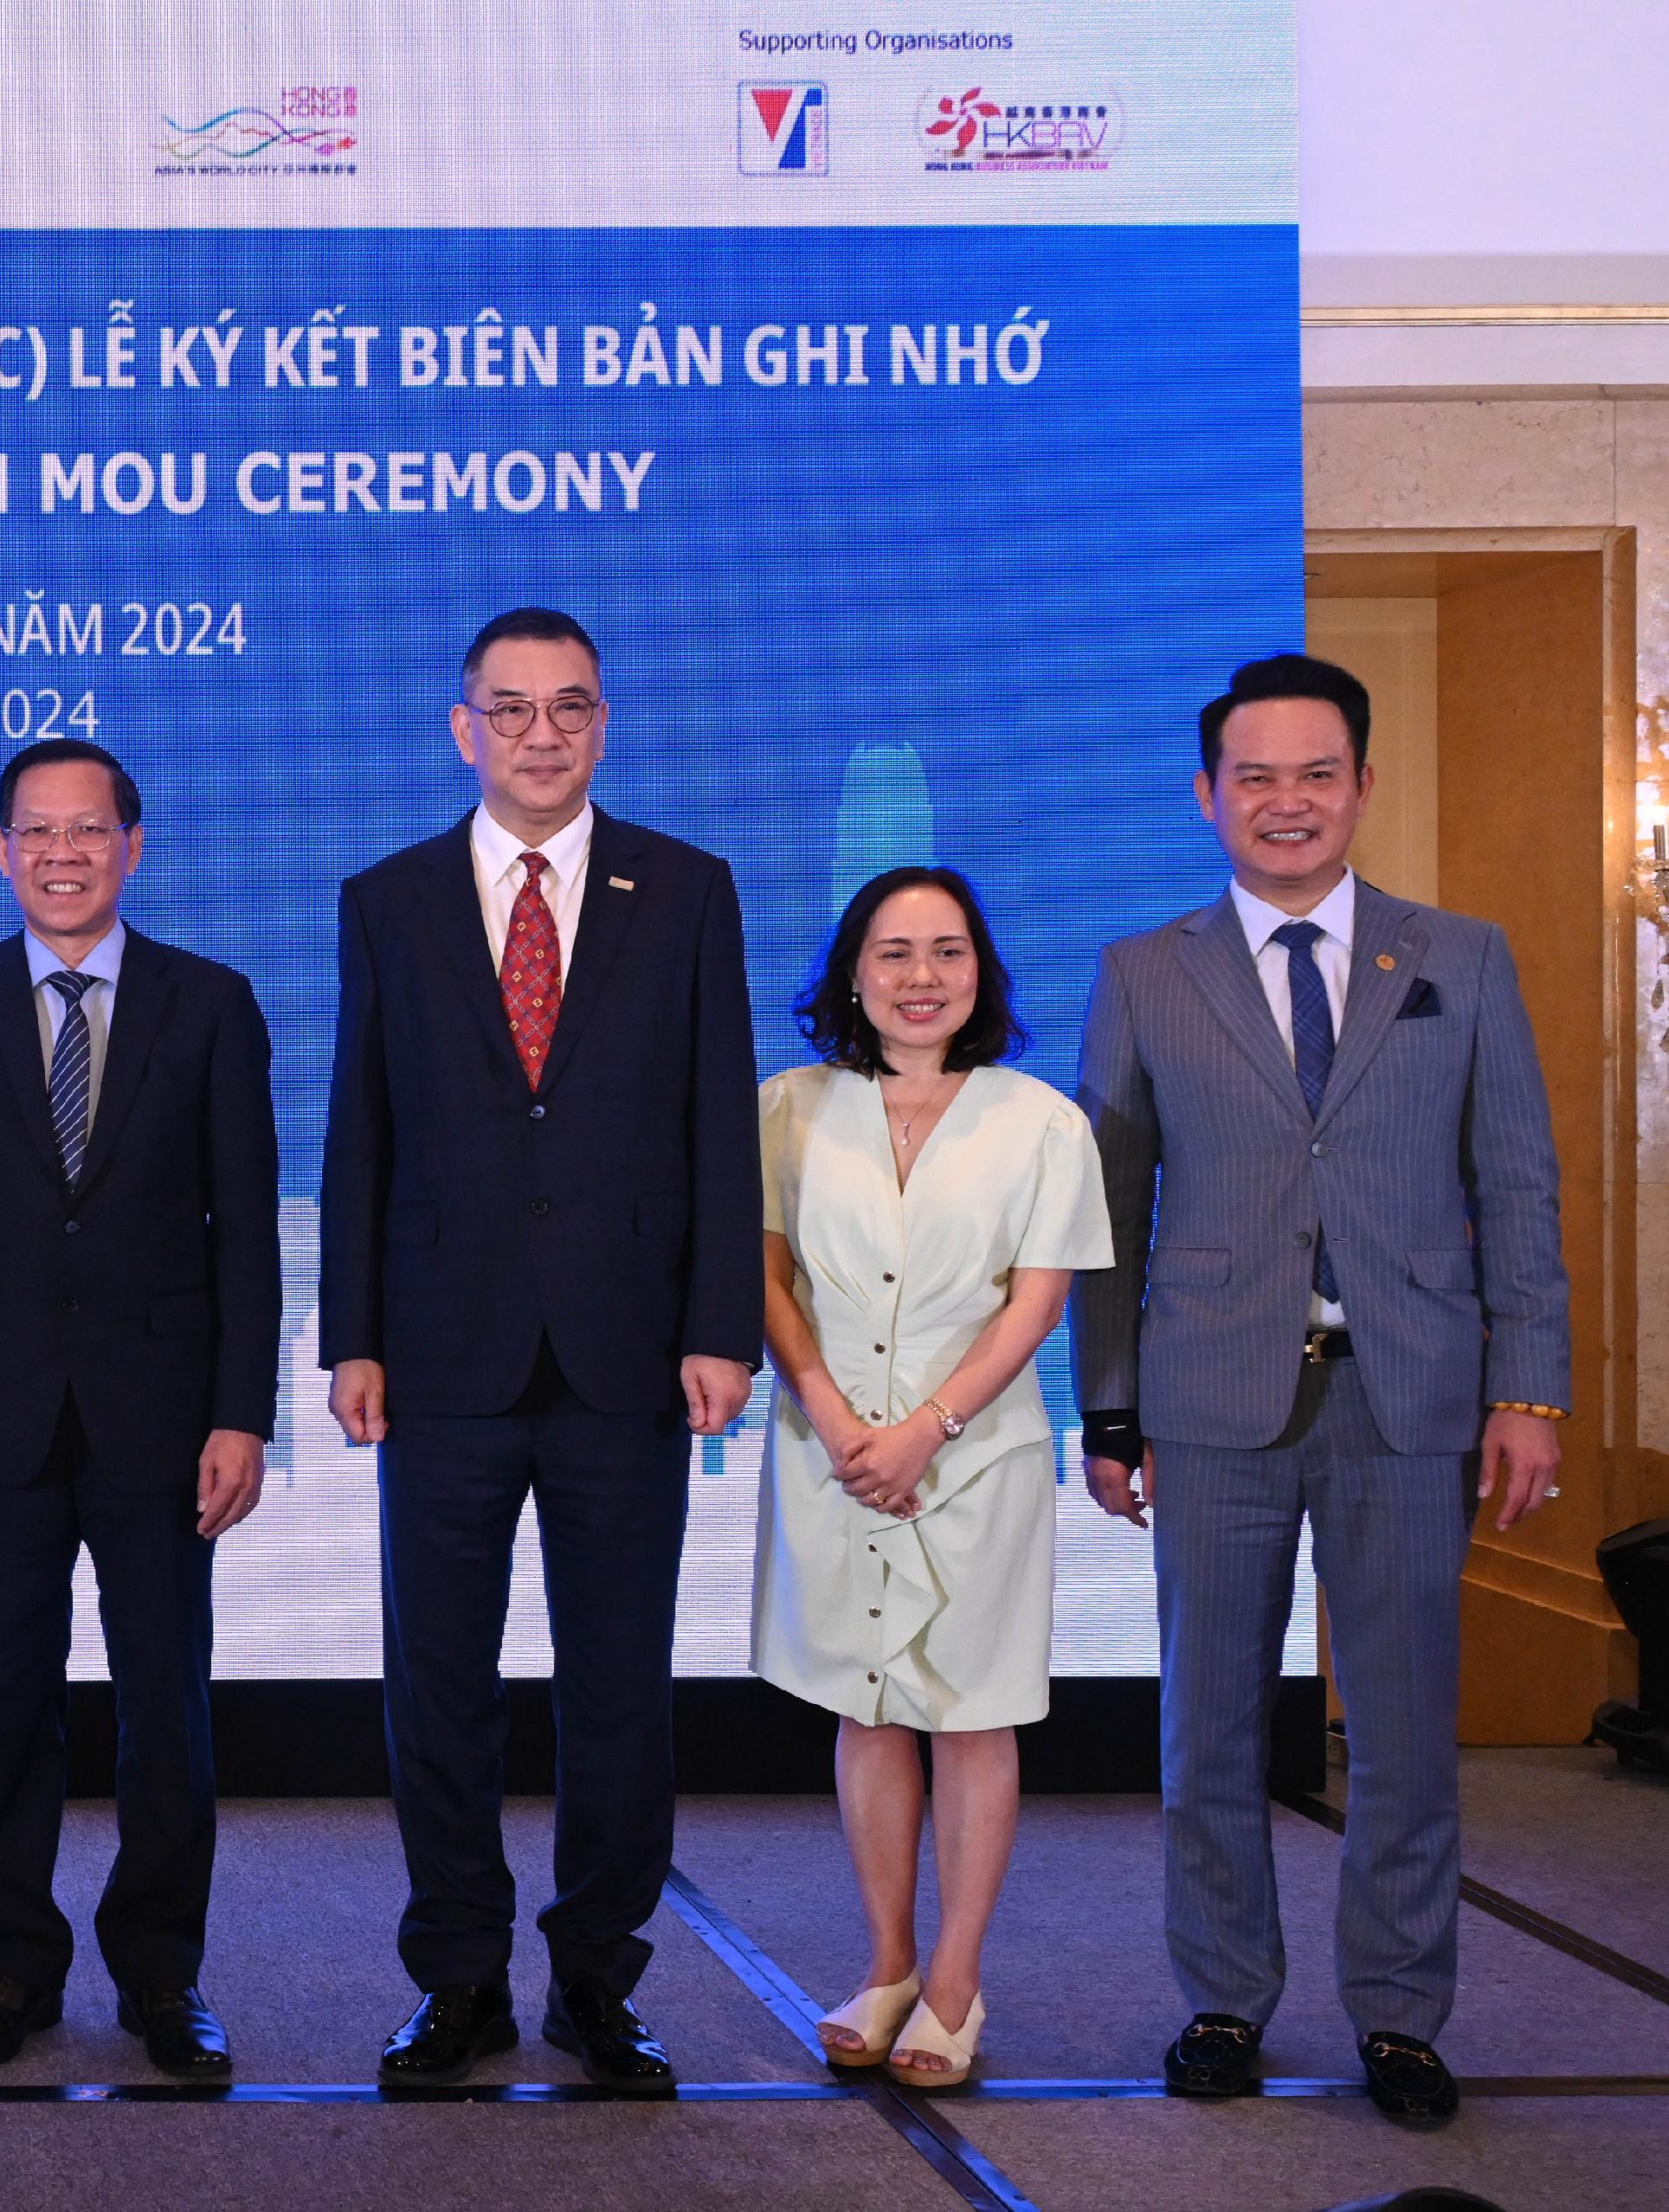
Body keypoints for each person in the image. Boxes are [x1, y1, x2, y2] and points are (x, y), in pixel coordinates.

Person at [1072, 653, 1569, 2126]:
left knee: (1406, 1733)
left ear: (1360, 783)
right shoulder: (1146, 971)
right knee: (1207, 1726)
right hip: (1209, 1405)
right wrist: (1107, 1407)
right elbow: (1109, 1212)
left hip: (1411, 1403)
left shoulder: (1460, 959)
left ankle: (1403, 2019)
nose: (1286, 804)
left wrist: (1530, 1390)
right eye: (1255, 778)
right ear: (1209, 795)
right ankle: (1223, 2002)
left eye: (1316, 774)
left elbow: (1520, 1188)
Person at [320, 608, 760, 2093]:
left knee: (620, 1687)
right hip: (440, 1359)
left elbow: (716, 1130)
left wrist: (720, 1328)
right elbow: (360, 1134)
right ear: (464, 729)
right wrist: (353, 1335)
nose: (539, 734)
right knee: (435, 1687)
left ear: (604, 720)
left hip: (633, 1360)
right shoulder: (386, 900)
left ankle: (595, 1982)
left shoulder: (688, 892)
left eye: (567, 706)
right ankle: (458, 1984)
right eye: (507, 710)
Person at [0, 740, 280, 2080]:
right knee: (10, 1701)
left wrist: (244, 1412)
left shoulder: (213, 1004)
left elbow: (247, 1236)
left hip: (166, 1419)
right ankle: (16, 1964)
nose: (64, 853)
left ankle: (164, 1976)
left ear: (133, 844)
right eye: (37, 832)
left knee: (166, 1700)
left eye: (89, 830)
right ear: (1, 852)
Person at [751, 867, 1112, 2090]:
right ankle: (889, 1962)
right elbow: (767, 1282)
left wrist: (926, 1429)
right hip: (831, 1449)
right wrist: (839, 1417)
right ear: (853, 971)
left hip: (979, 1457)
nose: (921, 979)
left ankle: (955, 1980)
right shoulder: (787, 1110)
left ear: (981, 972)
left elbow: (1040, 1300)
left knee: (971, 1711)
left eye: (947, 952)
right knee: (866, 1707)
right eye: (895, 953)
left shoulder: (1042, 1121)